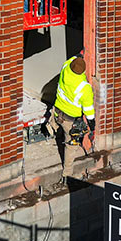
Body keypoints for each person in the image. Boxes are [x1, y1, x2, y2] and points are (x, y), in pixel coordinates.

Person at [46, 53, 95, 185]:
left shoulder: (65, 67)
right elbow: (89, 110)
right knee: (71, 146)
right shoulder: (84, 88)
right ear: (83, 71)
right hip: (70, 120)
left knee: (57, 127)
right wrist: (92, 123)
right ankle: (67, 175)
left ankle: (52, 127)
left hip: (57, 111)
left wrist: (78, 56)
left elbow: (73, 59)